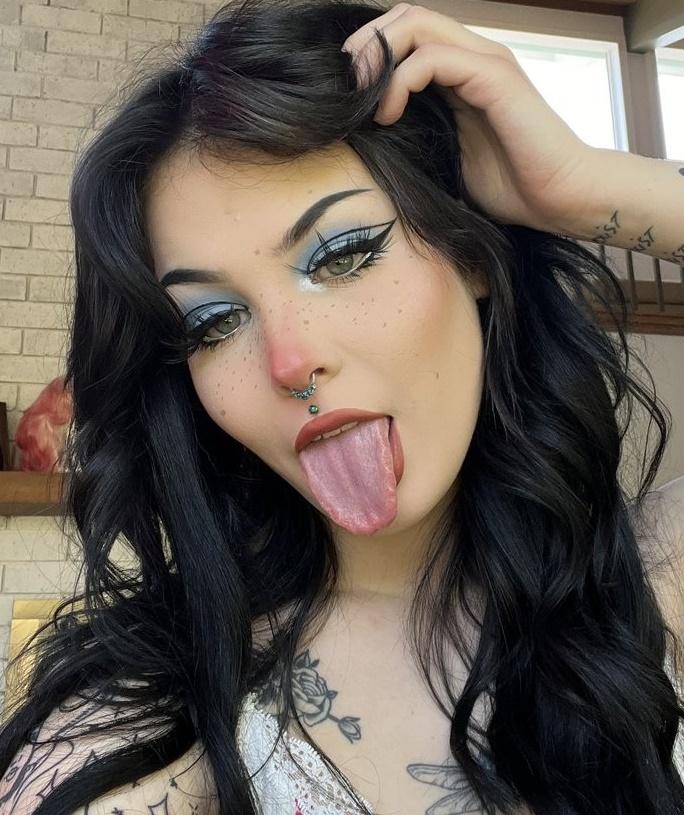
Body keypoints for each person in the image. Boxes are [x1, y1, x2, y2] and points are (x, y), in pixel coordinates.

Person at [1, 0, 683, 812]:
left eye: (343, 256)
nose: (290, 361)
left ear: (471, 252)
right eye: (214, 321)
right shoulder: (166, 708)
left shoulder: (653, 580)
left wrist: (582, 186)